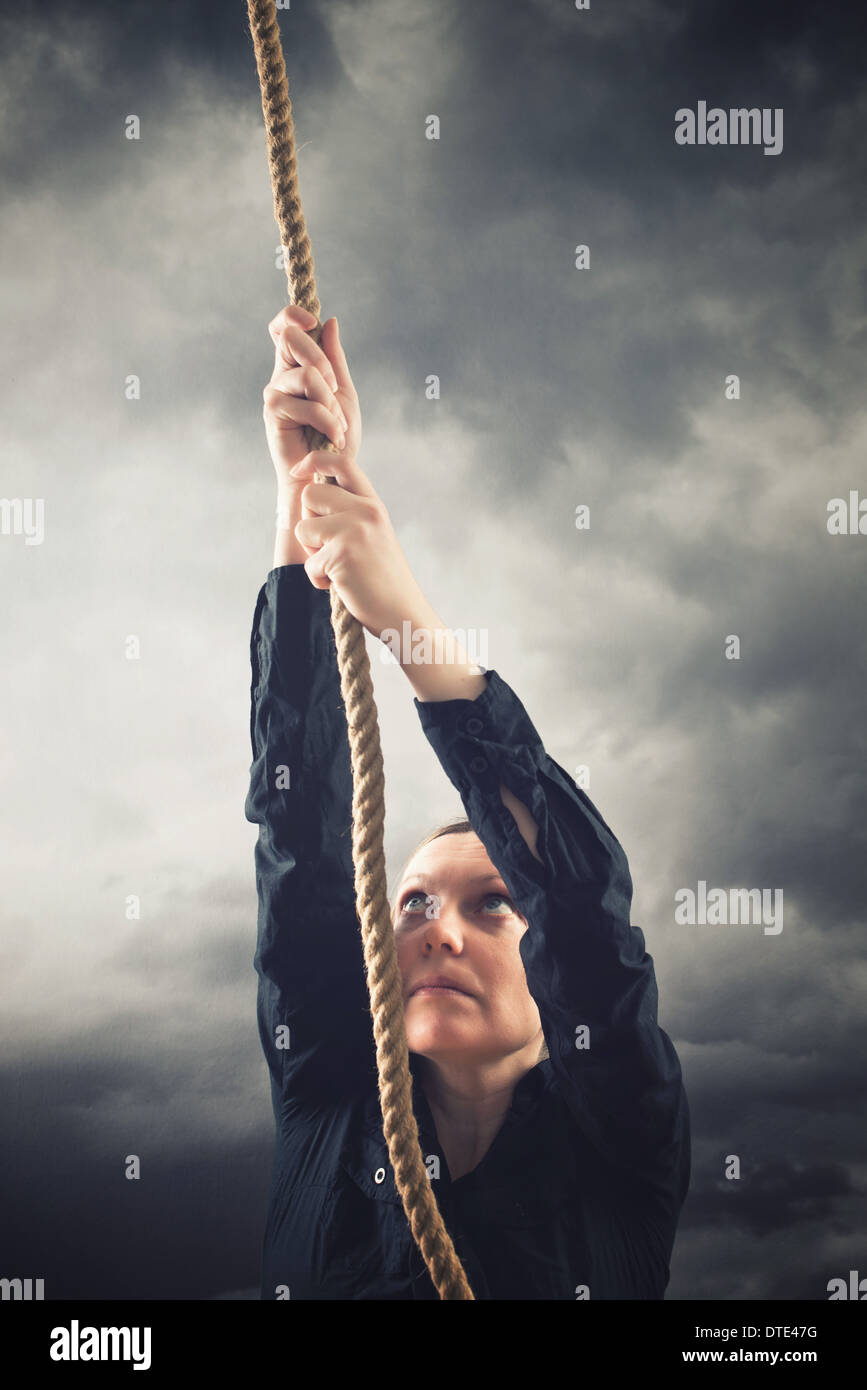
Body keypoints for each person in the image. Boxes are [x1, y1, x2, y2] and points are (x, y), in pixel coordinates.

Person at [244, 303, 691, 1299]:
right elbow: (299, 841)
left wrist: (402, 612)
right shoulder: (325, 1097)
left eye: (492, 901)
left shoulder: (622, 1139)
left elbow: (580, 911)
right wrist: (297, 499)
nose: (435, 932)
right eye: (413, 904)